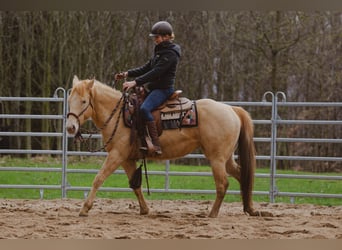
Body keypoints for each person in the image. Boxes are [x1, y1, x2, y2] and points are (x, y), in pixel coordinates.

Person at [115, 21, 181, 155]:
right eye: (154, 37)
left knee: (145, 108)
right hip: (155, 89)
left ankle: (156, 145)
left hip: (163, 90)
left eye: (157, 37)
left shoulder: (171, 54)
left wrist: (135, 82)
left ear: (166, 37)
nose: (154, 40)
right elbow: (146, 67)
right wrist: (127, 73)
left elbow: (156, 72)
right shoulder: (160, 51)